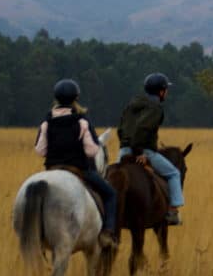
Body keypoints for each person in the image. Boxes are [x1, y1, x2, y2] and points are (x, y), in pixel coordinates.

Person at [34, 79, 119, 248]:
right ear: (76, 98)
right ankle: (107, 234)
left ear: (56, 98)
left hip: (51, 169)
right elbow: (92, 151)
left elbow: (40, 150)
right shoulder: (82, 121)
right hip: (78, 169)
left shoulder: (47, 121)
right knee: (110, 194)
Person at [116, 72, 185, 225]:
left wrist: (127, 146)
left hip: (123, 150)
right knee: (174, 173)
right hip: (143, 150)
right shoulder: (155, 108)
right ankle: (173, 212)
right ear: (161, 91)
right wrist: (140, 152)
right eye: (166, 89)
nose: (166, 92)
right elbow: (142, 128)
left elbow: (120, 129)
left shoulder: (131, 105)